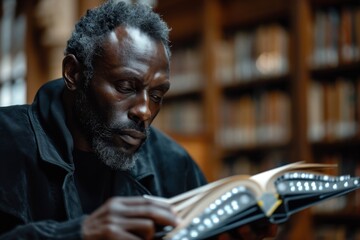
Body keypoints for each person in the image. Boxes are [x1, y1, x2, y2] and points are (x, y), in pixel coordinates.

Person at [0, 1, 276, 239]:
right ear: (73, 73)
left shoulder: (173, 163)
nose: (144, 111)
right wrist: (78, 234)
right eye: (125, 87)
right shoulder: (7, 141)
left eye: (156, 94)